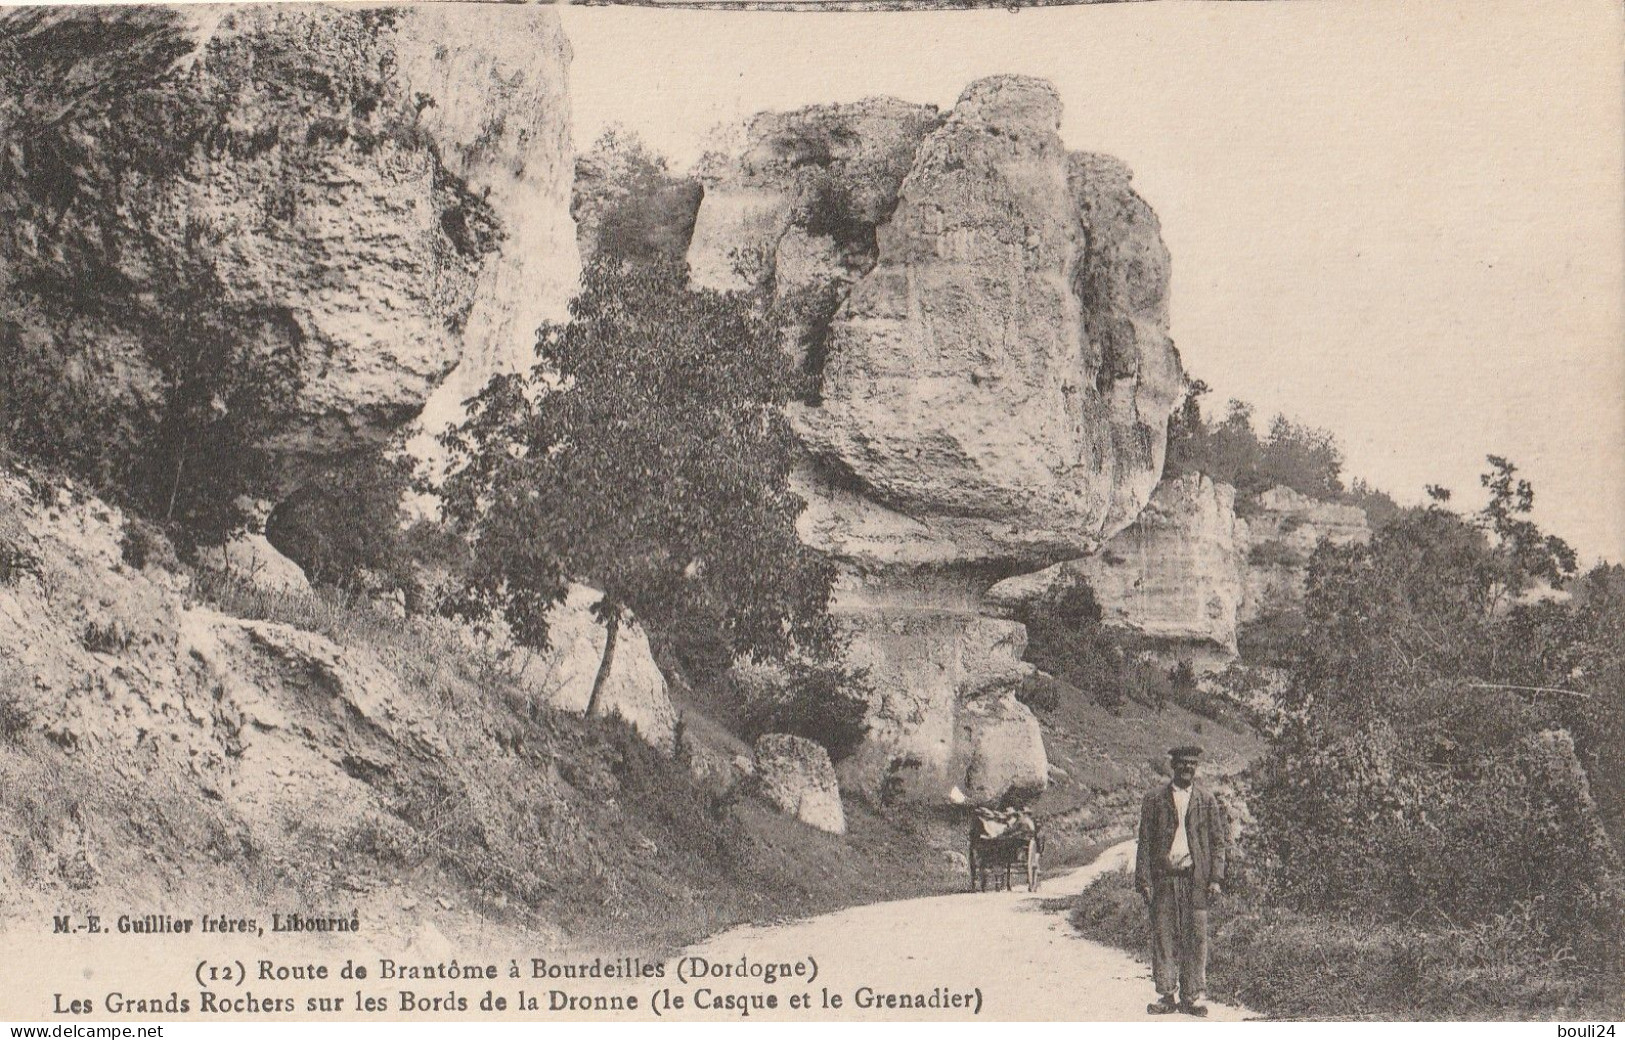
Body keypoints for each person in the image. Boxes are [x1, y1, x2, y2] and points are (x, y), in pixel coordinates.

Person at [1134, 744, 1228, 1017]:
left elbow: (1218, 842)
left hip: (1196, 879)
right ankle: (1166, 995)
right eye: (1183, 763)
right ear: (1173, 766)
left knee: (1196, 938)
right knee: (1164, 936)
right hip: (1164, 879)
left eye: (1192, 764)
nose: (1188, 768)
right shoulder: (1154, 799)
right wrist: (1144, 880)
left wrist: (1216, 879)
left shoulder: (1206, 800)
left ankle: (1191, 997)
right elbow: (1145, 842)